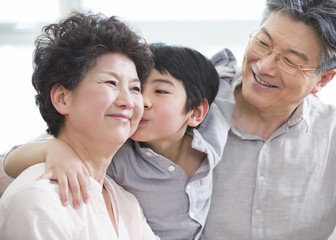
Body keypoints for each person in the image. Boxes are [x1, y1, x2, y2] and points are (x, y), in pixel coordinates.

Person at [3, 42, 234, 239]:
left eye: (160, 91)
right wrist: (54, 149)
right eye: (138, 89)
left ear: (196, 113)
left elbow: (225, 70)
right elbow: (11, 160)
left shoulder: (213, 134)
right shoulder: (119, 152)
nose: (141, 101)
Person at [203, 0, 336, 239]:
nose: (264, 66)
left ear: (323, 79)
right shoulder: (192, 107)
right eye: (263, 43)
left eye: (291, 61)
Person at [0, 10, 159, 239]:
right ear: (62, 98)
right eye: (111, 82)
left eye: (134, 88)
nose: (127, 101)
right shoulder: (38, 199)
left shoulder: (126, 203)